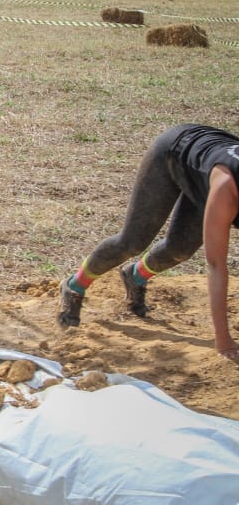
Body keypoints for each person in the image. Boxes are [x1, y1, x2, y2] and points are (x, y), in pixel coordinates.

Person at [58, 123, 239, 362]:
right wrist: (223, 339)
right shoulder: (226, 190)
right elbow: (216, 265)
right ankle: (74, 285)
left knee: (179, 249)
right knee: (131, 242)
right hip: (173, 153)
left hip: (204, 174)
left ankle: (135, 276)